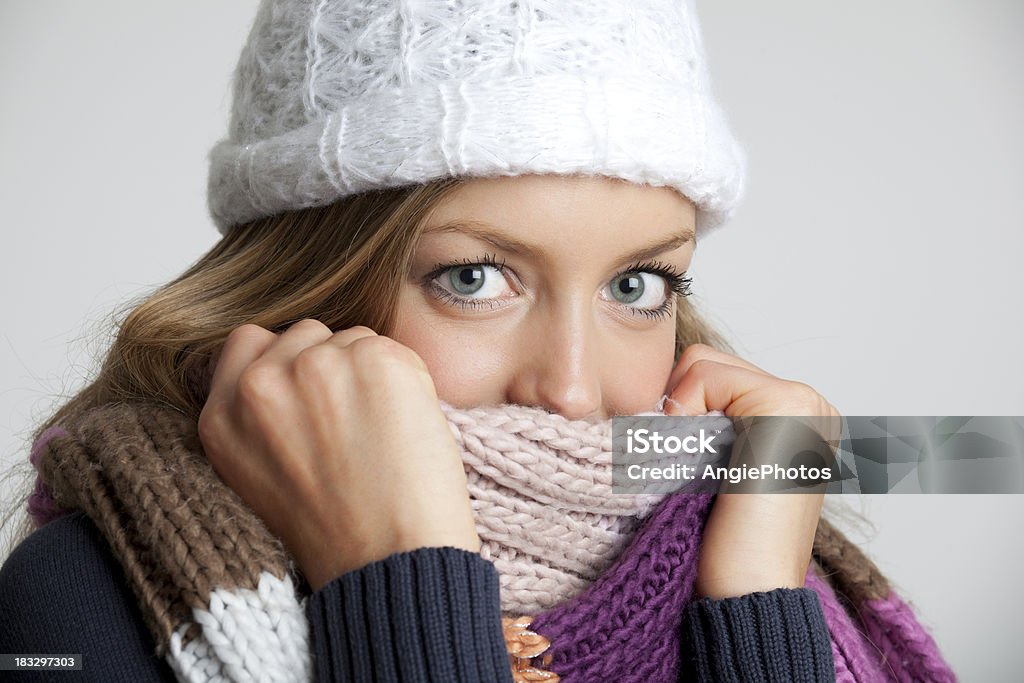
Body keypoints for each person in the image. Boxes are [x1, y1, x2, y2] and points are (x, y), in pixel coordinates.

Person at [0, 1, 957, 681]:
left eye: (637, 285)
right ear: (308, 285)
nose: (576, 390)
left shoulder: (747, 536)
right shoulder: (83, 604)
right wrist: (399, 580)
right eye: (473, 279)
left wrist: (753, 602)